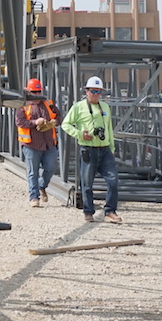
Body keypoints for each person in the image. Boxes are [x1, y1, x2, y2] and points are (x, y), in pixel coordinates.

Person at [61, 75, 122, 224]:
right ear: (86, 91)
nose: (96, 94)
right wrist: (79, 134)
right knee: (87, 183)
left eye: (98, 91)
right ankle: (88, 212)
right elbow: (65, 124)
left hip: (105, 150)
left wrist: (112, 147)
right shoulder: (78, 107)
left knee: (113, 180)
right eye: (93, 91)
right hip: (88, 149)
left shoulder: (105, 107)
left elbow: (109, 129)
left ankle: (110, 211)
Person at [15, 78, 59, 208]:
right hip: (31, 144)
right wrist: (35, 122)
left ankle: (41, 186)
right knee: (32, 172)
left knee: (51, 167)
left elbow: (59, 116)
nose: (37, 94)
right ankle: (34, 197)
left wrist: (55, 122)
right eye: (34, 92)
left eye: (38, 92)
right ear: (28, 92)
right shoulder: (22, 105)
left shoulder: (48, 103)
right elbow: (20, 122)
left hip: (48, 143)